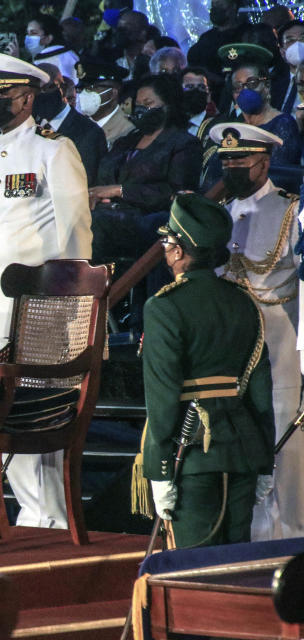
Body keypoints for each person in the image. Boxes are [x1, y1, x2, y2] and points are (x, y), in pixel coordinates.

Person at [0, 53, 93, 529]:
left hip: (44, 304)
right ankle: (33, 509)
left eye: (1, 97)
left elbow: (76, 234)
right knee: (6, 403)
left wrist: (71, 305)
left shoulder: (53, 149)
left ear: (26, 97)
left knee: (43, 403)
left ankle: (53, 513)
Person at [138, 193, 275, 548]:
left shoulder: (163, 307)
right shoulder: (243, 300)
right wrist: (264, 462)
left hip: (192, 454)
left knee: (194, 574)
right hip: (243, 448)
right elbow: (260, 389)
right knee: (235, 566)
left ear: (179, 251)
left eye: (167, 240)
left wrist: (160, 471)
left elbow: (164, 398)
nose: (165, 247)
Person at [208, 123, 304, 541]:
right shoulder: (217, 215)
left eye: (240, 161)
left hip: (279, 336)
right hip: (232, 342)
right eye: (226, 160)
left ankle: (290, 534)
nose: (231, 167)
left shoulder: (289, 210)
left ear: (263, 163)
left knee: (284, 431)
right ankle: (248, 536)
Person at [91, 74, 202, 260]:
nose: (141, 109)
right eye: (138, 104)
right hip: (109, 212)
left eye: (148, 103)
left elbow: (176, 194)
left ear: (168, 107)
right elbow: (105, 174)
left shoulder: (183, 144)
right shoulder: (127, 140)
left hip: (148, 219)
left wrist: (120, 191)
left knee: (94, 224)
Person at [35, 63, 107, 185]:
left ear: (62, 89)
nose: (40, 96)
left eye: (46, 88)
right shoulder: (32, 126)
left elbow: (86, 182)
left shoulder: (88, 133)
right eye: (35, 91)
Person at [74, 61, 136, 148]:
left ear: (113, 93)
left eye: (91, 88)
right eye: (81, 89)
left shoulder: (127, 129)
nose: (84, 94)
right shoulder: (78, 126)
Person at [186, 0, 245, 89]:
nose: (216, 7)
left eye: (220, 3)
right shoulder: (206, 38)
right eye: (214, 4)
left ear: (233, 5)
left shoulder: (246, 34)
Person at [25, 15, 80, 83]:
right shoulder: (68, 53)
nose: (28, 37)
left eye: (34, 33)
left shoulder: (56, 56)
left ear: (48, 38)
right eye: (28, 33)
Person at [113, 11, 152, 80]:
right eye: (118, 28)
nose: (119, 32)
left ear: (142, 33)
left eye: (125, 28)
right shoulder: (118, 65)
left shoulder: (153, 64)